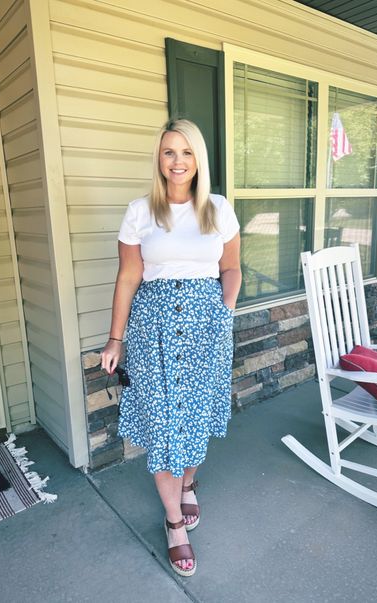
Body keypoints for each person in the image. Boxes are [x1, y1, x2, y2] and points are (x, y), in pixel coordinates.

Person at [101, 118, 241, 577]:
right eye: (168, 152)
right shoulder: (141, 212)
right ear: (158, 161)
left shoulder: (218, 209)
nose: (177, 161)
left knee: (196, 415)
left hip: (206, 325)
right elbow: (128, 276)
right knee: (163, 425)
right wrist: (115, 337)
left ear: (198, 158)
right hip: (153, 329)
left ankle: (189, 482)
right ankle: (175, 522)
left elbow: (232, 269)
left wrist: (224, 311)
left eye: (185, 152)